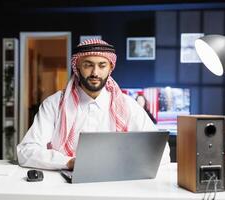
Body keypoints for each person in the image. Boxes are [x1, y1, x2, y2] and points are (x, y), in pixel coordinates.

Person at [17, 39, 171, 170]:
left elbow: (161, 151)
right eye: (88, 65)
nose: (95, 72)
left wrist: (126, 164)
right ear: (77, 66)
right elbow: (26, 151)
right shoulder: (54, 104)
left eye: (102, 65)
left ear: (110, 68)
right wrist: (68, 162)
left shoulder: (128, 106)